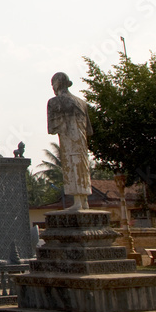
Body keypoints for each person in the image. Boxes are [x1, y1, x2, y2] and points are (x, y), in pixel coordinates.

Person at [47, 72, 94, 211]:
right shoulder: (82, 102)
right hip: (82, 143)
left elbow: (52, 128)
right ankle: (84, 201)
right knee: (82, 168)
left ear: (57, 83)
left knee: (72, 168)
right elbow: (89, 130)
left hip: (69, 141)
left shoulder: (54, 102)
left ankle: (78, 202)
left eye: (53, 84)